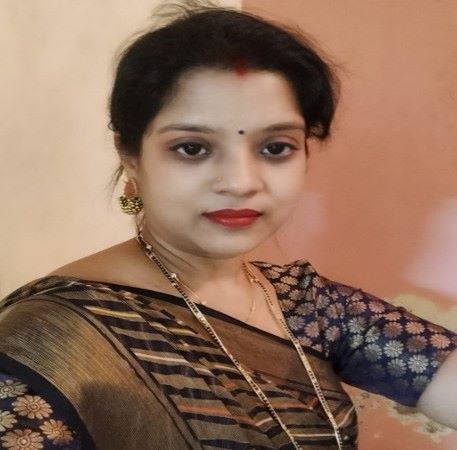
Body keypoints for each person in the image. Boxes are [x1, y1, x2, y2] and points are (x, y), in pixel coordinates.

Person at [0, 2, 456, 449]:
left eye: (275, 148)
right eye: (192, 148)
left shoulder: (306, 305)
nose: (240, 182)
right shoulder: (49, 339)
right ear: (129, 153)